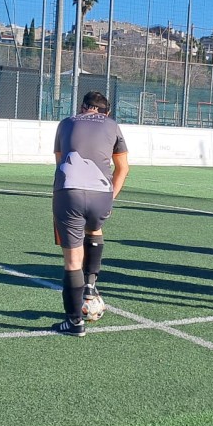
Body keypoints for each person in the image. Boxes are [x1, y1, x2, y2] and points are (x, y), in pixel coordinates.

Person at [50, 91, 129, 336]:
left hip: (70, 192)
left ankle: (74, 322)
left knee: (72, 261)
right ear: (106, 112)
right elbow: (123, 167)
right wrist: (110, 197)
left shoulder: (66, 123)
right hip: (101, 194)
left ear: (83, 107)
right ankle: (91, 287)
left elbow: (61, 162)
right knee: (94, 228)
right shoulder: (113, 125)